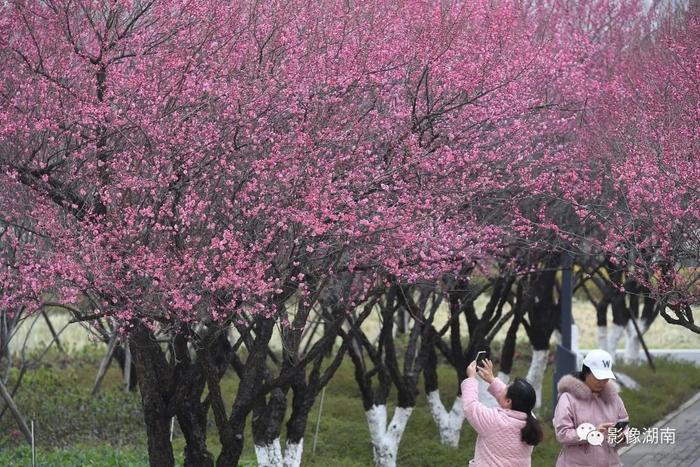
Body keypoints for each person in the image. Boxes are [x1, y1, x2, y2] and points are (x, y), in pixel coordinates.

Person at [553, 349, 630, 467]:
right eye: (598, 377)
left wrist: (623, 436)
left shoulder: (613, 398)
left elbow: (625, 425)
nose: (602, 382)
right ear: (586, 372)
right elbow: (563, 433)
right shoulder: (568, 398)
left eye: (605, 378)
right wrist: (592, 433)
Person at [461, 358, 543, 467]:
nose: (504, 388)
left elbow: (470, 407)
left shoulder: (494, 420)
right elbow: (512, 399)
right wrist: (491, 380)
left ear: (509, 401)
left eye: (507, 387)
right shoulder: (531, 419)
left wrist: (471, 379)